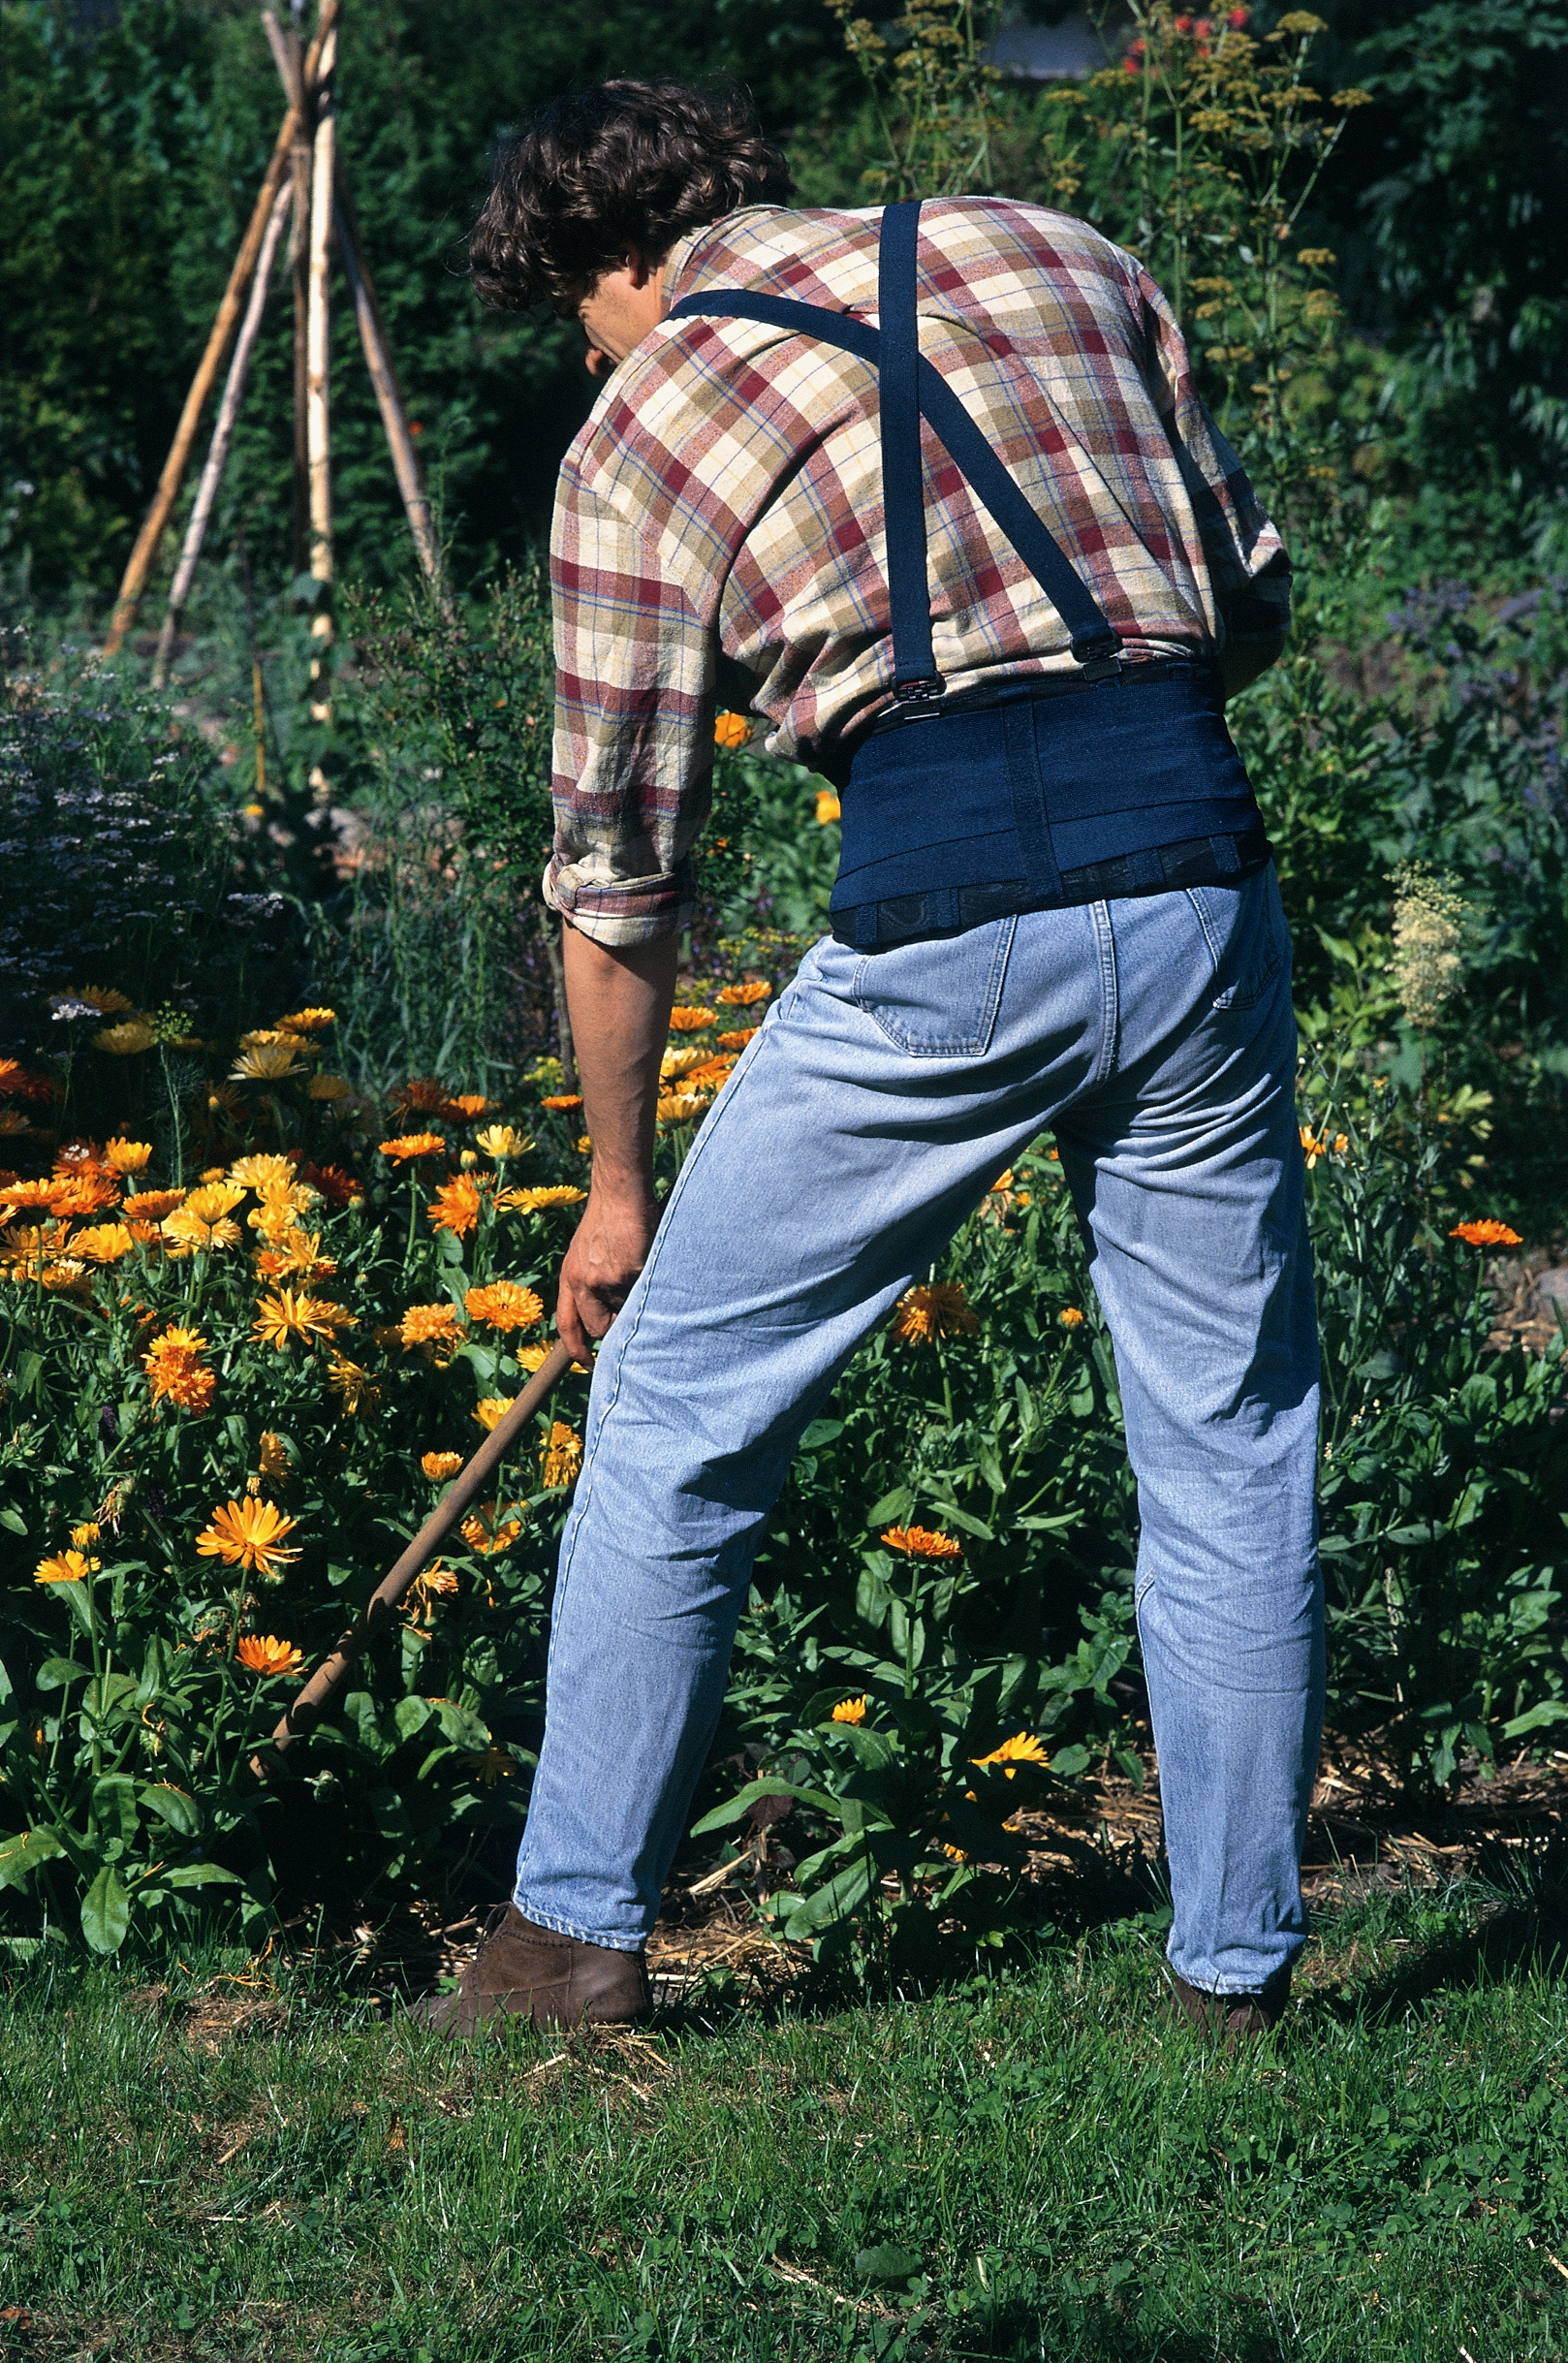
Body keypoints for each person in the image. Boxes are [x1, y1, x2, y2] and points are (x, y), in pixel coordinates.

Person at [423, 78, 1320, 2042]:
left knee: (677, 1407)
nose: (589, 353)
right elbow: (1241, 604)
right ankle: (1234, 1973)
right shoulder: (1061, 252)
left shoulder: (642, 421)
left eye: (575, 314)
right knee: (1228, 1437)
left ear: (614, 258)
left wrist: (615, 1191)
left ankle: (568, 1940)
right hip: (1197, 876)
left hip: (944, 923)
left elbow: (616, 878)